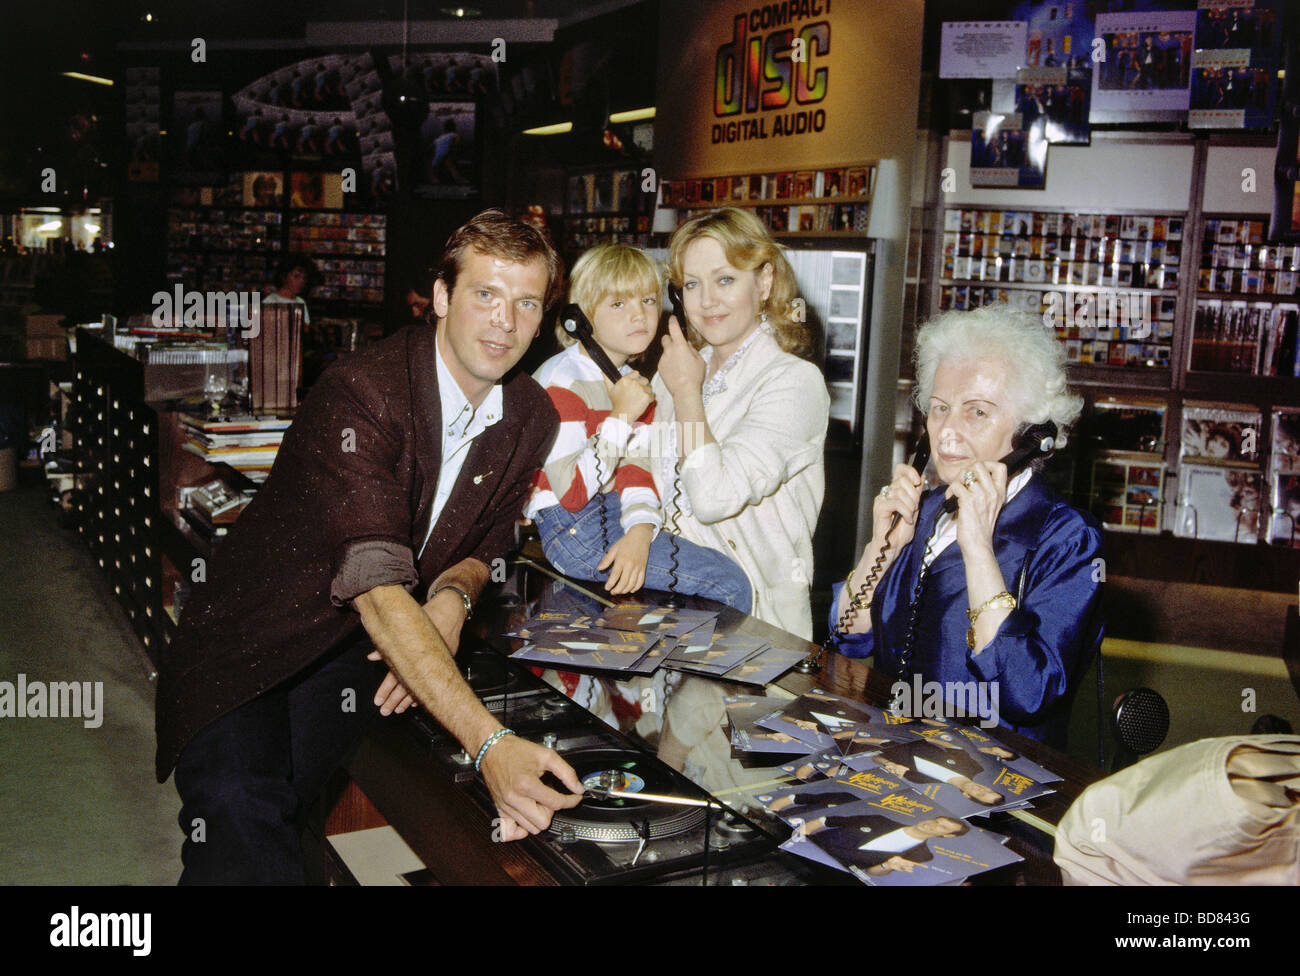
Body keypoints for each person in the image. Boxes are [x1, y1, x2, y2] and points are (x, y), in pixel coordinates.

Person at [155, 210, 585, 884]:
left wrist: (451, 598)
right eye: (485, 294)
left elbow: (494, 537)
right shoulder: (363, 392)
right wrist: (490, 744)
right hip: (248, 642)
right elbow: (379, 588)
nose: (505, 320)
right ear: (442, 298)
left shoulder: (531, 414)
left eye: (526, 302)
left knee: (275, 828)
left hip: (348, 660)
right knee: (241, 812)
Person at [828, 305, 1104, 748]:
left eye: (976, 412)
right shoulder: (927, 512)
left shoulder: (1066, 538)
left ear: (1031, 431)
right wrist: (882, 547)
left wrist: (978, 547)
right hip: (898, 759)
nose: (948, 432)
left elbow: (1028, 693)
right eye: (939, 409)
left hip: (992, 785)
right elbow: (848, 635)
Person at [525, 243, 752, 609]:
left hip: (613, 515)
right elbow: (572, 494)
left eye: (647, 301)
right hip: (572, 528)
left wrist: (641, 533)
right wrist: (622, 416)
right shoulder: (562, 382)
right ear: (578, 319)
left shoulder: (631, 384)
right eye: (619, 304)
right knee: (729, 585)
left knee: (720, 580)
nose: (639, 316)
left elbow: (636, 470)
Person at [652, 207, 829, 639]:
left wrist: (687, 395)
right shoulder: (676, 369)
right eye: (692, 284)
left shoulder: (793, 382)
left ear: (765, 281)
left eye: (725, 279)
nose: (706, 300)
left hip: (752, 627)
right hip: (665, 611)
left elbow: (713, 496)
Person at [264, 254, 315, 324]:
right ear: (284, 276)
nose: (301, 281)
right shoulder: (270, 301)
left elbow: (305, 328)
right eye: (296, 276)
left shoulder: (301, 302)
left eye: (304, 278)